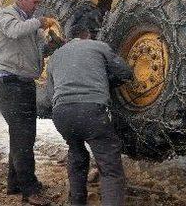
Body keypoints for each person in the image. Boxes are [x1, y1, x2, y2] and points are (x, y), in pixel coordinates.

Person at [46, 23, 134, 206]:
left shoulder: (55, 56)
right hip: (92, 111)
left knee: (77, 153)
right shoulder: (98, 46)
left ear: (68, 38)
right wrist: (106, 83)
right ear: (87, 35)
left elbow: (50, 94)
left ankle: (77, 202)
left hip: (62, 114)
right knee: (110, 169)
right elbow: (125, 72)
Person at [0, 0, 57, 206]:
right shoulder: (6, 15)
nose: (37, 6)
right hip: (10, 86)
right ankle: (29, 190)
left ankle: (15, 183)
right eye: (35, 1)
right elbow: (15, 31)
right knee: (23, 137)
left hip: (23, 85)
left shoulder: (29, 23)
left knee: (21, 136)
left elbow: (36, 49)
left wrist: (52, 45)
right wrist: (40, 22)